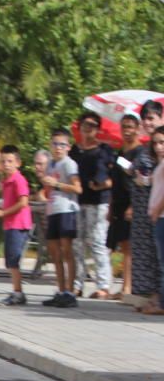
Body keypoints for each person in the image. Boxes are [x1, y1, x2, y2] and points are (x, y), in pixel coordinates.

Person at [69, 112, 116, 299]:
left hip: (100, 201)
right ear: (79, 127)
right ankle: (77, 284)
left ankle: (103, 285)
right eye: (85, 124)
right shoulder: (74, 151)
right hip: (78, 201)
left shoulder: (105, 150)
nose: (88, 128)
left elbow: (116, 177)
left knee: (98, 243)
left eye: (93, 125)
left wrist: (102, 184)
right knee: (77, 244)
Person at [39, 128, 84, 308]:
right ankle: (60, 289)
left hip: (67, 209)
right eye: (55, 144)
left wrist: (56, 184)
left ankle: (70, 292)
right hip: (53, 210)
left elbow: (78, 188)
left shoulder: (69, 164)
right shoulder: (50, 164)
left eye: (62, 144)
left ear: (68, 147)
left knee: (67, 252)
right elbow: (46, 189)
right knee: (55, 253)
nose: (58, 148)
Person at [109, 114, 146, 298]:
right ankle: (125, 286)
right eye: (124, 126)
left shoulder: (141, 152)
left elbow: (138, 180)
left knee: (130, 247)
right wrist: (110, 207)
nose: (127, 130)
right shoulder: (120, 153)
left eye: (130, 126)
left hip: (132, 202)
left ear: (138, 128)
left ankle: (128, 288)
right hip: (118, 203)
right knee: (123, 246)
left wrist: (133, 205)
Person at [0, 145, 32, 305]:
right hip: (10, 224)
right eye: (3, 161)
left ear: (18, 163)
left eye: (10, 161)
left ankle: (18, 293)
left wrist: (3, 213)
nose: (6, 164)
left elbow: (23, 202)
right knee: (10, 259)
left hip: (19, 224)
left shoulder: (18, 179)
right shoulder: (6, 181)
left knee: (13, 259)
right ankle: (16, 290)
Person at [132, 100, 163, 303]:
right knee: (146, 252)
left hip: (158, 209)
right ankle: (149, 296)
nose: (147, 122)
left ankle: (158, 297)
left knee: (158, 254)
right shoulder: (144, 148)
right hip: (144, 207)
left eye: (151, 118)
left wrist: (145, 179)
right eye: (145, 118)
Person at [141, 126, 164, 315]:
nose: (158, 147)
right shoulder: (160, 163)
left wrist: (157, 209)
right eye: (155, 142)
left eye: (162, 142)